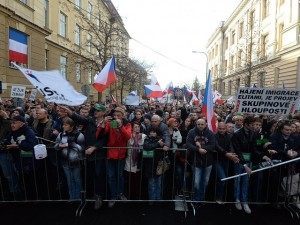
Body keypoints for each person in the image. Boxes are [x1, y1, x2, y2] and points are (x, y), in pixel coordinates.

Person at [99, 106, 132, 208]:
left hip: (121, 154)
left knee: (120, 176)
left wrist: (120, 126)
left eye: (118, 115)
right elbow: (101, 133)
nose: (116, 117)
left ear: (122, 116)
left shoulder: (127, 124)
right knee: (111, 176)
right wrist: (103, 123)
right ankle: (113, 196)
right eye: (115, 115)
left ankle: (120, 194)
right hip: (110, 154)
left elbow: (128, 136)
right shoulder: (110, 123)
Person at [54, 117, 85, 200]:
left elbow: (81, 148)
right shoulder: (61, 134)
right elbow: (55, 145)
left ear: (71, 126)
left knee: (77, 180)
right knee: (69, 181)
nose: (63, 126)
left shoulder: (79, 134)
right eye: (63, 125)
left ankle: (78, 198)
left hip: (76, 161)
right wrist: (59, 145)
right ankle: (72, 198)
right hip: (65, 161)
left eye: (66, 125)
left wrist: (70, 144)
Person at [186, 118, 216, 202]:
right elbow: (188, 144)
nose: (200, 126)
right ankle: (196, 198)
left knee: (205, 182)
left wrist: (202, 148)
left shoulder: (210, 133)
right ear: (196, 124)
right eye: (198, 124)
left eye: (202, 124)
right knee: (196, 182)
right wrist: (198, 149)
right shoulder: (191, 132)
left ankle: (201, 198)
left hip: (208, 162)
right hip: (196, 161)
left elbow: (213, 145)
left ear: (205, 124)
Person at [231, 116, 256, 214]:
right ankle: (237, 199)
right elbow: (237, 150)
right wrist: (245, 164)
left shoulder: (253, 134)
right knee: (238, 180)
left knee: (246, 181)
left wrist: (263, 155)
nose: (254, 126)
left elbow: (254, 148)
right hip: (239, 161)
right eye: (252, 125)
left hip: (249, 160)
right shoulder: (237, 134)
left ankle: (244, 201)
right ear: (246, 124)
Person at [124, 122, 146, 199]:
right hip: (129, 160)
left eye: (138, 126)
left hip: (138, 161)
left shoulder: (143, 136)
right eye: (135, 126)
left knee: (137, 179)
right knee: (129, 179)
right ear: (132, 128)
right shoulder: (128, 136)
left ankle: (136, 196)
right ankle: (129, 194)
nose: (137, 128)